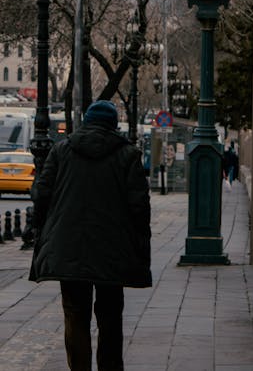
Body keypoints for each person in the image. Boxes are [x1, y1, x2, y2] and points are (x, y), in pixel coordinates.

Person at [29, 100, 151, 371]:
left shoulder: (61, 151)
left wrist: (41, 231)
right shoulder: (128, 155)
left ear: (86, 122)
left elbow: (42, 195)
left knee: (75, 314)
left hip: (68, 247)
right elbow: (140, 206)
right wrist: (140, 244)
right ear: (113, 124)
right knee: (110, 316)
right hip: (113, 249)